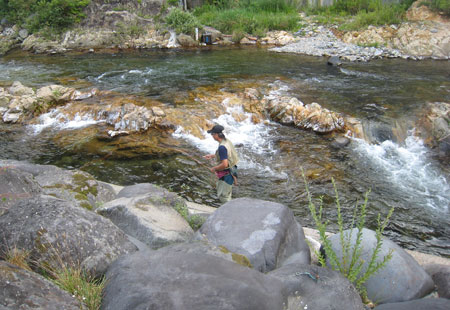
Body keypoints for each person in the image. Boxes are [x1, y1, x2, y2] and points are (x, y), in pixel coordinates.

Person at [203, 124, 239, 203]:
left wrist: (214, 168)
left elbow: (224, 164)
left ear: (217, 135)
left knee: (223, 196)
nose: (212, 136)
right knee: (227, 193)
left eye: (212, 134)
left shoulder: (222, 147)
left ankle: (229, 213)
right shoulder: (226, 141)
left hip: (227, 174)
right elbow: (227, 155)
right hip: (233, 170)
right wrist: (212, 156)